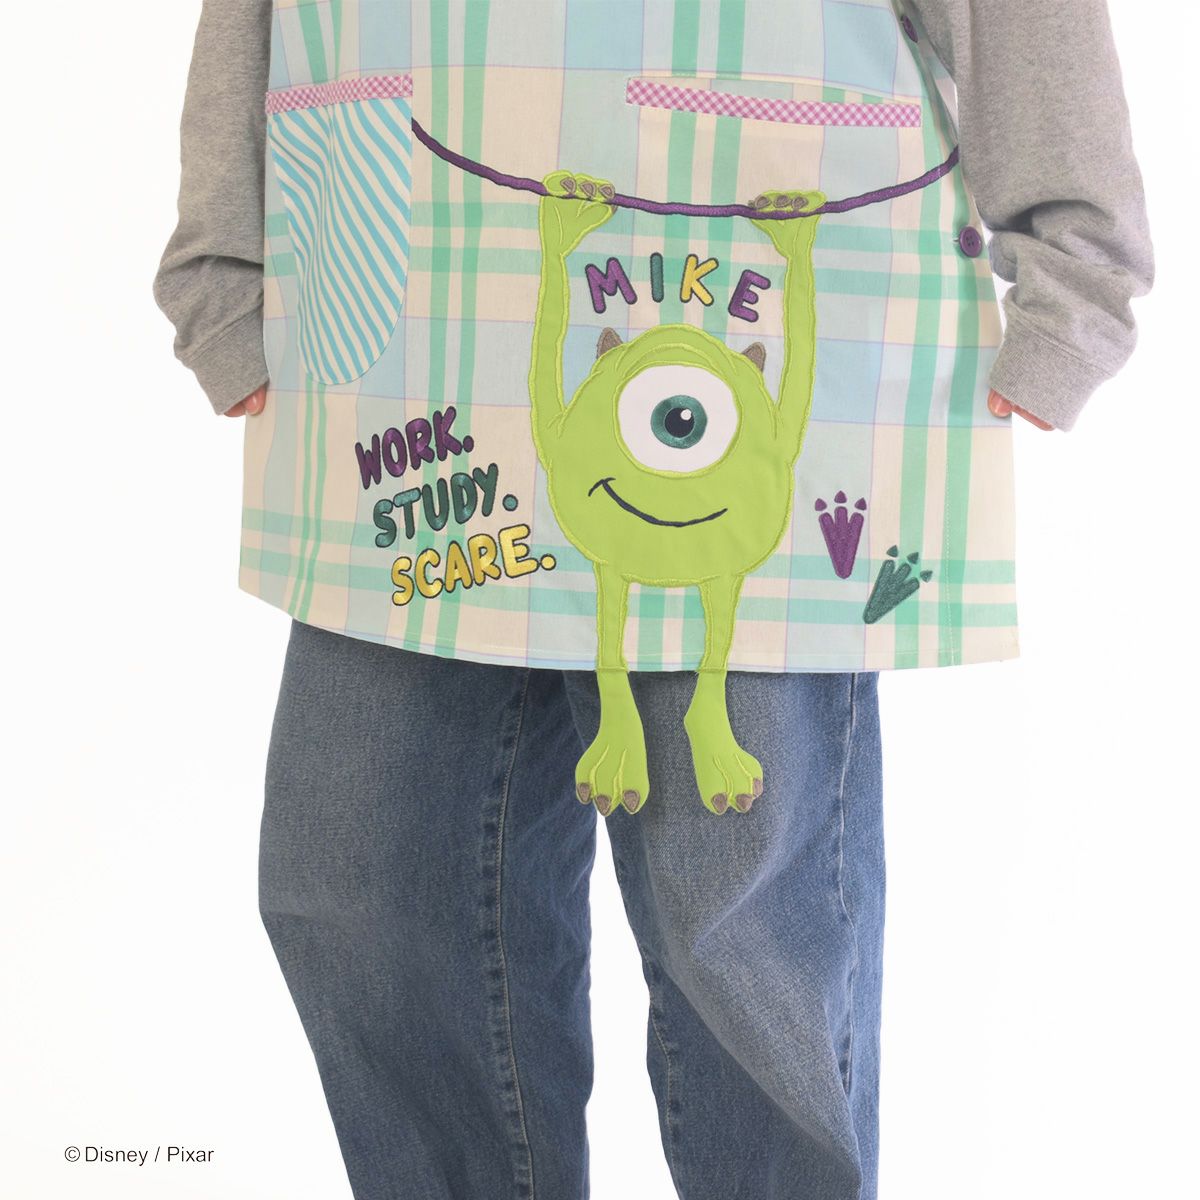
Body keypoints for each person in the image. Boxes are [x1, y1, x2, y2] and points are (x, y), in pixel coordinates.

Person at [154, 3, 1152, 1197]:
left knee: (740, 935)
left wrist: (1077, 271)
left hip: (748, 233)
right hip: (399, 319)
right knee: (369, 891)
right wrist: (220, 267)